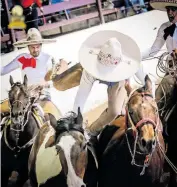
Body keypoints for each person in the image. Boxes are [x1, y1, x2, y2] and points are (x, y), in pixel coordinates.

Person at [73, 30, 142, 143]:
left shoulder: (131, 64)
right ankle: (92, 132)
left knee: (115, 111)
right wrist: (74, 122)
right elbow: (80, 97)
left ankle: (92, 129)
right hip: (103, 74)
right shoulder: (89, 70)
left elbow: (146, 82)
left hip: (119, 79)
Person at [0, 28, 68, 119]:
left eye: (37, 47)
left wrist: (45, 84)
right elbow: (3, 70)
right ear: (28, 46)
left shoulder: (48, 59)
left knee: (56, 119)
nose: (35, 50)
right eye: (32, 47)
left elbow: (55, 81)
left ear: (41, 45)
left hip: (43, 97)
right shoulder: (22, 58)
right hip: (24, 97)